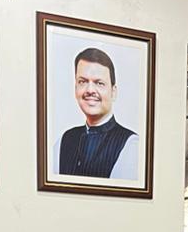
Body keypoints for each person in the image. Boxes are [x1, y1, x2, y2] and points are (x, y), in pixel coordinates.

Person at [50, 47, 139, 179]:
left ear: (113, 92)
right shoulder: (64, 141)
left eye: (99, 83)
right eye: (83, 82)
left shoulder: (131, 145)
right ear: (75, 88)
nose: (90, 90)